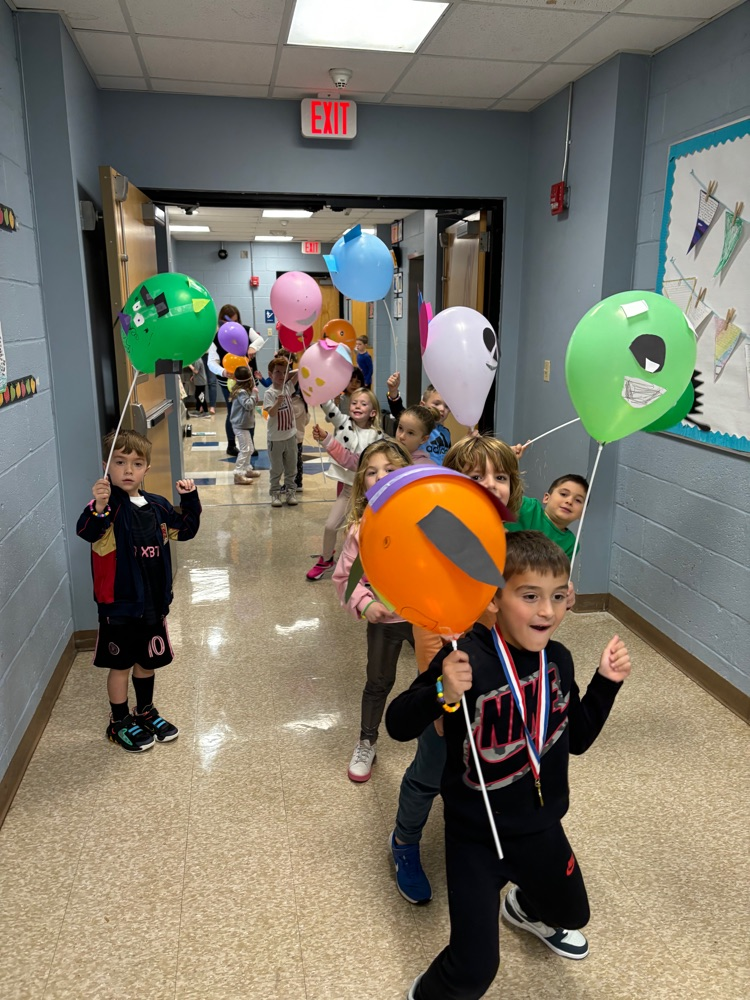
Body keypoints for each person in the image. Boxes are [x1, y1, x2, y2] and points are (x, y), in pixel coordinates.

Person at [386, 530, 631, 1000]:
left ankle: (521, 907)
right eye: (530, 596)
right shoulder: (464, 658)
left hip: (539, 825)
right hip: (476, 836)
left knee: (574, 913)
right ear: (494, 598)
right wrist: (441, 692)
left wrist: (606, 683)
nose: (547, 611)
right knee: (474, 970)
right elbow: (398, 723)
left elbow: (575, 739)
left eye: (559, 596)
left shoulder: (557, 660)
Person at [388, 434, 525, 906]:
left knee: (494, 773)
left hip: (500, 687)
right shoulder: (439, 544)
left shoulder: (514, 544)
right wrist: (442, 701)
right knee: (430, 773)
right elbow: (429, 632)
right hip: (449, 689)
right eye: (475, 477)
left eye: (501, 477)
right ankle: (405, 840)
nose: (490, 485)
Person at [76, 429, 201, 752]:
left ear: (147, 468)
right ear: (107, 467)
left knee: (147, 661)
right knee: (121, 665)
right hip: (119, 607)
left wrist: (189, 499)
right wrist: (99, 506)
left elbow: (185, 529)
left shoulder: (157, 506)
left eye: (136, 463)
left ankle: (144, 710)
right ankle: (118, 722)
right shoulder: (104, 510)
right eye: (120, 462)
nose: (128, 470)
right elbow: (87, 531)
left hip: (152, 604)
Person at [332, 440, 415, 782]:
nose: (381, 477)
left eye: (390, 470)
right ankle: (367, 740)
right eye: (372, 472)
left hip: (428, 619)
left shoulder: (427, 518)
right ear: (362, 483)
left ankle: (445, 737)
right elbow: (345, 579)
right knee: (378, 680)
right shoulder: (361, 529)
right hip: (387, 620)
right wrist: (367, 603)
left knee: (440, 678)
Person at [306, 388, 383, 581]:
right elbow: (329, 408)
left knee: (361, 532)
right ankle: (326, 560)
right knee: (331, 526)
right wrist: (320, 388)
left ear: (373, 412)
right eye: (354, 402)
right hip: (348, 490)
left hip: (369, 494)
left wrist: (327, 440)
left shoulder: (377, 435)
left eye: (363, 404)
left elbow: (359, 462)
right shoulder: (344, 423)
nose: (357, 406)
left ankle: (364, 565)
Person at [207, 304, 265, 456]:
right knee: (232, 411)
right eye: (228, 322)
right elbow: (211, 362)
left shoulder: (246, 330)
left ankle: (249, 446)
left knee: (249, 411)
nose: (232, 325)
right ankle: (231, 445)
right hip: (228, 382)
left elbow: (259, 340)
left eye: (235, 321)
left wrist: (253, 347)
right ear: (221, 322)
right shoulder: (217, 338)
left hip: (248, 378)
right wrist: (223, 371)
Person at [506, 474, 588, 559]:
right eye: (563, 494)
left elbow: (558, 571)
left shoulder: (571, 545)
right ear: (546, 498)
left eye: (578, 500)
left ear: (582, 513)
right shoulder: (527, 506)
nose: (569, 501)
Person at [386, 372, 451, 465]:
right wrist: (393, 392)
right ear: (423, 405)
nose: (442, 409)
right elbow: (398, 411)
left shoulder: (446, 433)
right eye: (436, 404)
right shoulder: (416, 424)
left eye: (447, 406)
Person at [263, 356, 299, 507]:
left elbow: (299, 372)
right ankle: (275, 493)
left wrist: (288, 371)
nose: (281, 375)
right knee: (276, 469)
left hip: (290, 436)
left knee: (291, 467)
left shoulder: (288, 387)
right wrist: (278, 402)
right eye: (277, 372)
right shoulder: (269, 393)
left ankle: (290, 492)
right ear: (270, 374)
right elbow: (271, 413)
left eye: (284, 373)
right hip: (275, 439)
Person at [229, 365, 261, 485]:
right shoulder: (241, 392)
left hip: (244, 425)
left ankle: (247, 469)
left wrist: (254, 395)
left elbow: (250, 404)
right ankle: (238, 474)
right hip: (240, 425)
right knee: (245, 450)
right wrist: (253, 394)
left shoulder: (243, 391)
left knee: (250, 449)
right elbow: (248, 405)